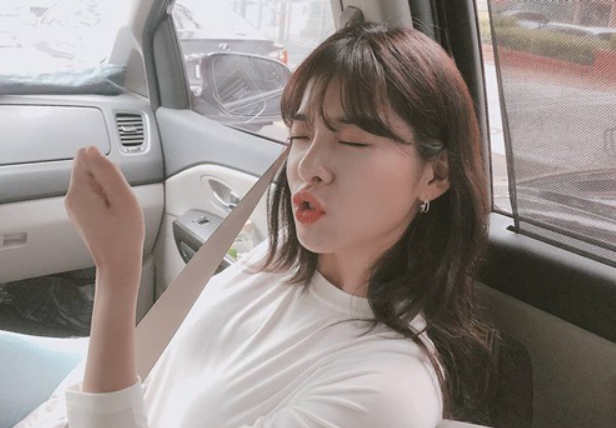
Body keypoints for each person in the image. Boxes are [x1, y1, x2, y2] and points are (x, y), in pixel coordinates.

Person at [20, 21, 492, 428]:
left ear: (435, 176)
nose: (308, 166)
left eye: (352, 142)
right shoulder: (276, 258)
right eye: (301, 134)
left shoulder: (384, 392)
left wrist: (117, 274)